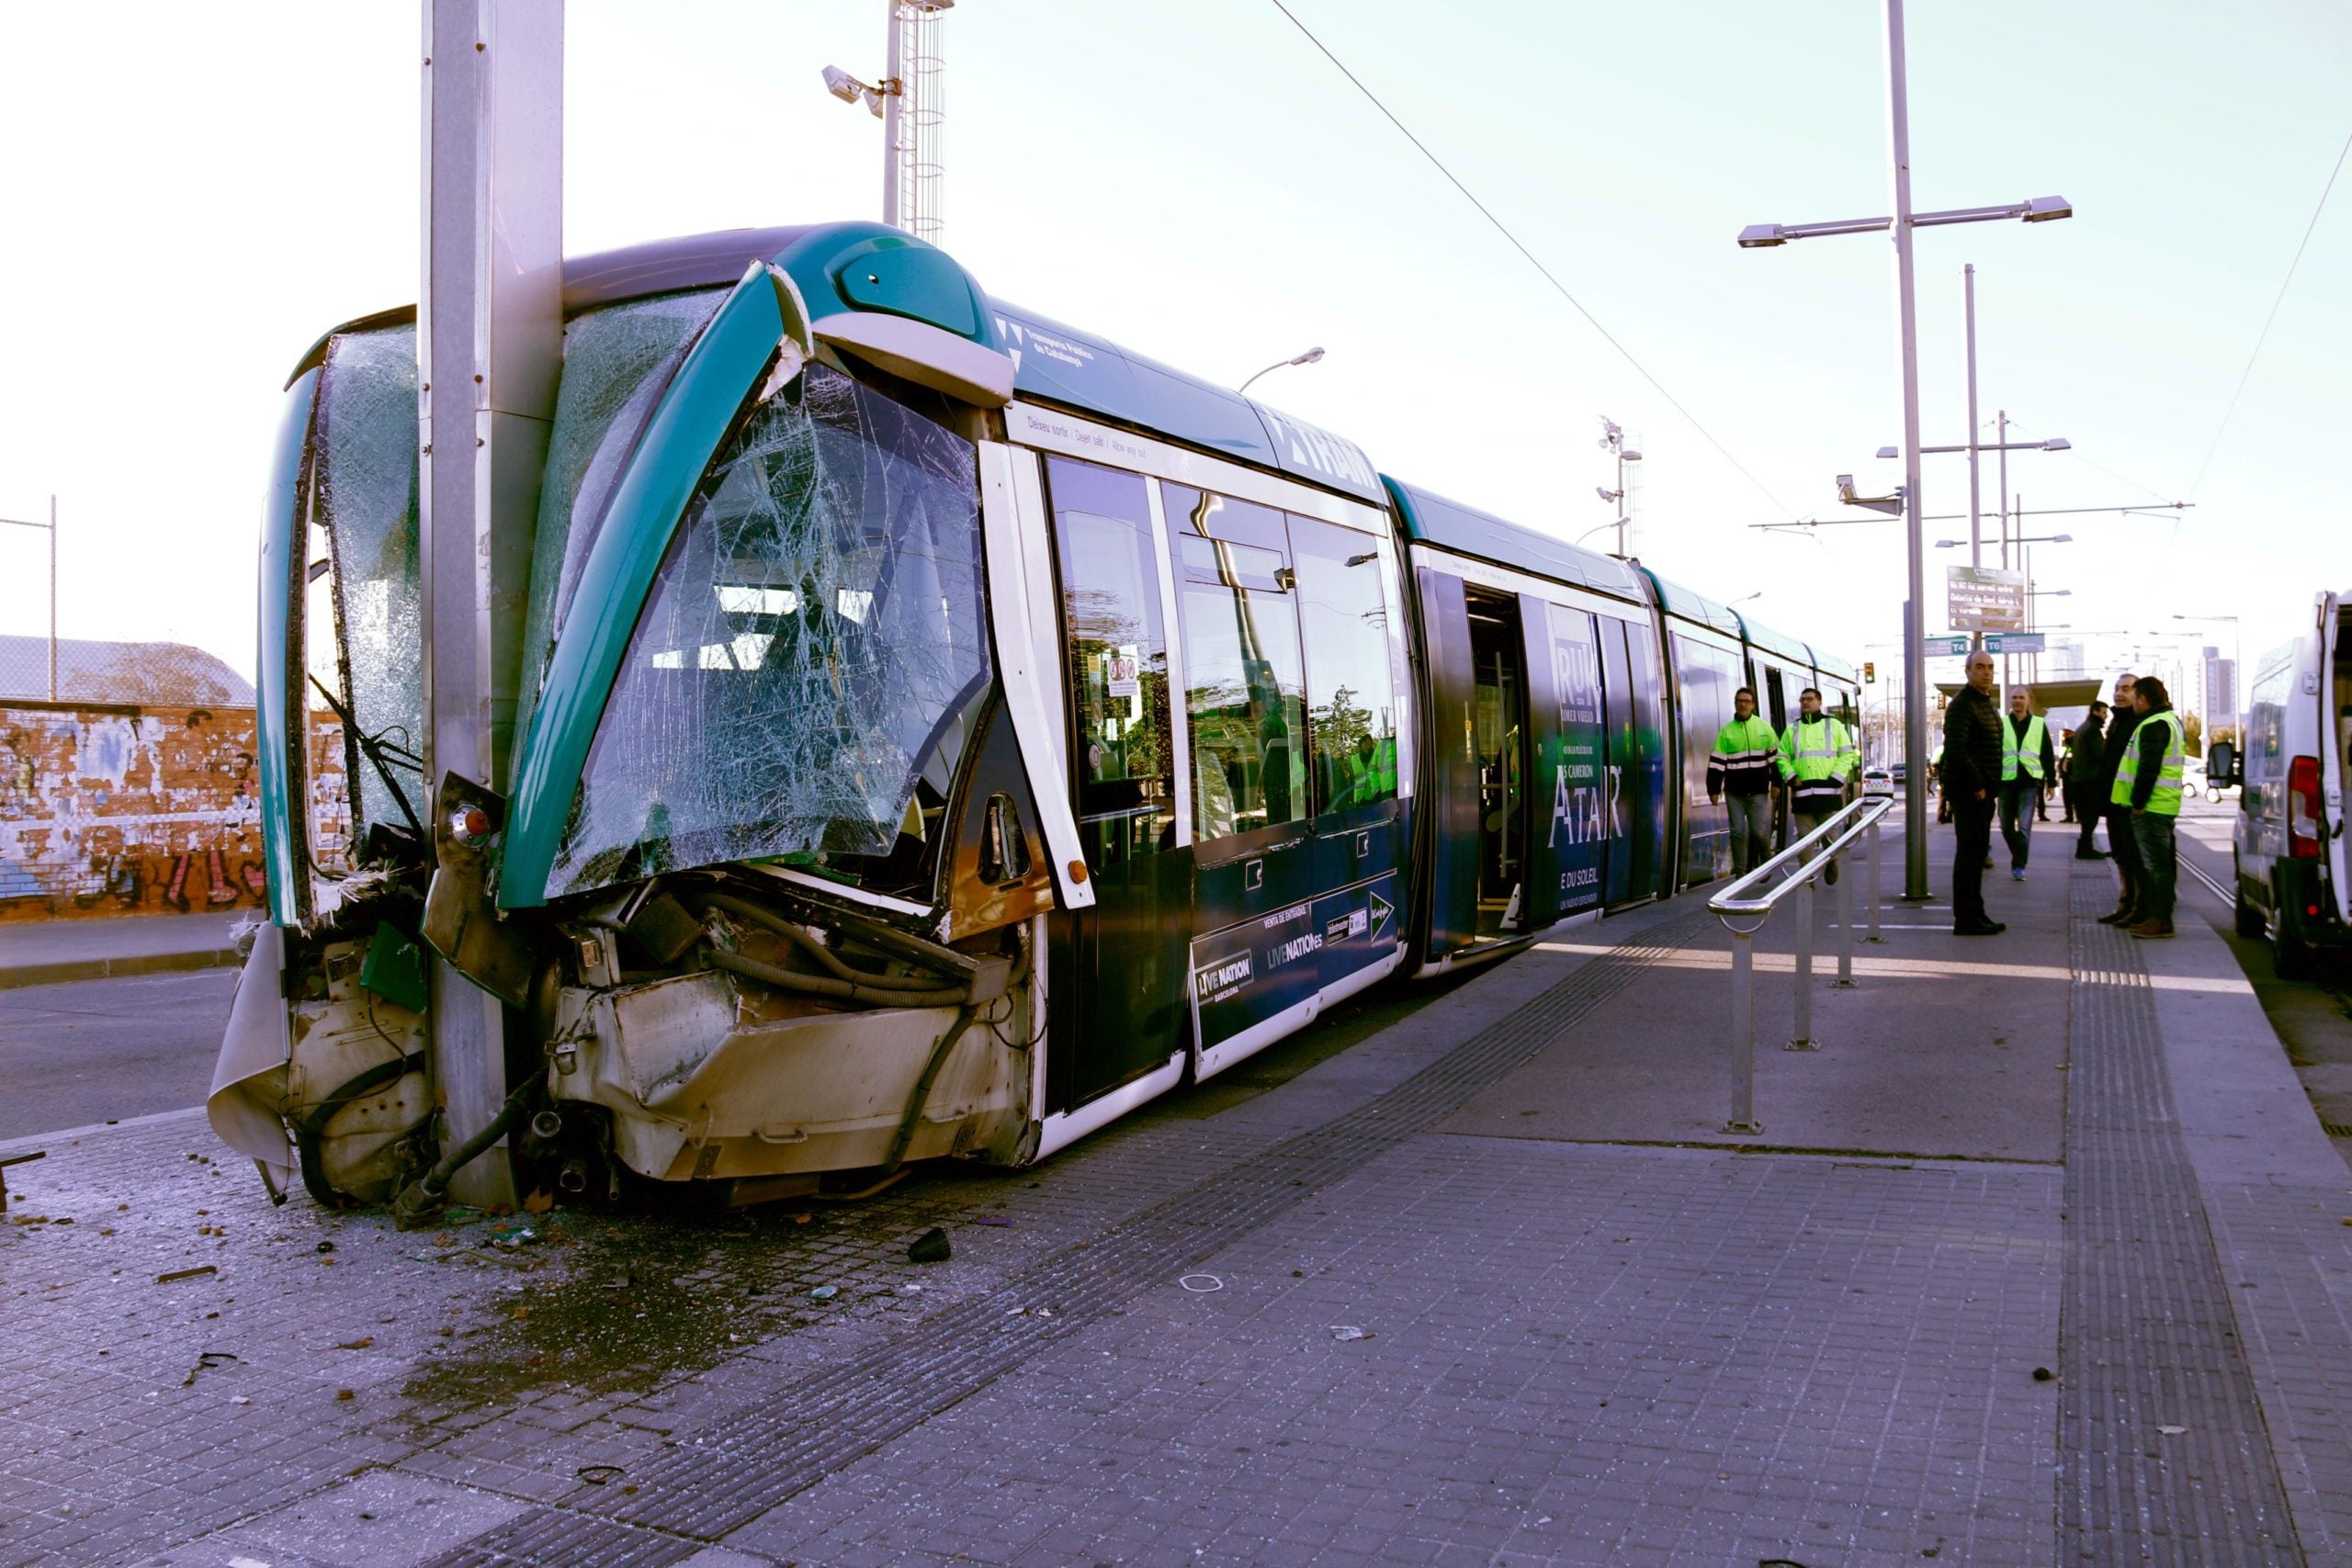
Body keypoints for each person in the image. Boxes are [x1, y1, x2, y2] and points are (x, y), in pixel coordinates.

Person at [1942, 649, 2007, 934]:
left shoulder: (1984, 703)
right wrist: (1978, 785)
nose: (1987, 672)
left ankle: (1976, 912)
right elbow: (1956, 749)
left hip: (1983, 792)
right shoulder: (1963, 704)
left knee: (1977, 854)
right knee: (1969, 854)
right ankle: (1966, 919)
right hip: (1970, 792)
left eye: (1990, 667)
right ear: (1968, 671)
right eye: (1980, 667)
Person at [2120, 674, 2185, 938]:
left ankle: (2161, 920)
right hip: (2163, 805)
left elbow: (2149, 767)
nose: (2133, 704)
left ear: (2143, 699)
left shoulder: (2154, 725)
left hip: (2152, 807)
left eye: (2135, 699)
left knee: (2156, 868)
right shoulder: (2170, 721)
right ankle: (2159, 918)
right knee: (2160, 865)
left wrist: (2137, 803)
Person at [1778, 686, 1860, 883]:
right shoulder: (1792, 729)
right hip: (1802, 794)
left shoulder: (1834, 725)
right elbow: (1781, 757)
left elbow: (1848, 753)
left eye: (1809, 699)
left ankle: (1831, 861)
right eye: (1802, 699)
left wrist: (1837, 777)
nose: (1805, 702)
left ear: (1819, 702)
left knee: (1829, 837)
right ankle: (1807, 879)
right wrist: (1791, 777)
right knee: (1804, 840)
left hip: (1828, 793)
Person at [1707, 686, 1779, 876]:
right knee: (1737, 833)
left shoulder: (1764, 728)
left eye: (1746, 701)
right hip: (1734, 793)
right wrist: (1713, 789)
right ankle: (1740, 874)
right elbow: (1716, 763)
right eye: (1739, 701)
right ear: (1735, 704)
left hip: (1758, 791)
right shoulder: (1727, 732)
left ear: (1753, 705)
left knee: (1758, 832)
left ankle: (1765, 861)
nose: (1742, 704)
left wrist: (1777, 784)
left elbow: (1775, 759)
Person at [2095, 675, 2146, 926]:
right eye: (2116, 688)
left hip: (2131, 805)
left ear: (2138, 694)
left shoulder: (2140, 722)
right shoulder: (2116, 721)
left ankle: (2138, 907)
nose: (2119, 694)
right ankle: (2125, 903)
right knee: (2120, 856)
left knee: (2134, 857)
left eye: (2126, 689)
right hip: (2114, 803)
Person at [1997, 687, 2055, 882]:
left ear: (2028, 701)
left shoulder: (2039, 724)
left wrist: (2052, 782)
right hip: (2006, 782)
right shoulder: (2002, 723)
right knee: (2005, 827)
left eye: (2021, 697)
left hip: (2030, 782)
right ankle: (2018, 855)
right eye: (2014, 697)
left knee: (2024, 827)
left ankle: (2019, 865)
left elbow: (2047, 754)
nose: (2017, 701)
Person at [2070, 702, 2109, 860]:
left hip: (2080, 779)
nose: (2106, 716)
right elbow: (2100, 754)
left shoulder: (2082, 728)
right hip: (2090, 781)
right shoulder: (2092, 730)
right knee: (2090, 817)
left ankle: (2085, 847)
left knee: (2087, 817)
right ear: (2095, 712)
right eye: (2104, 712)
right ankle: (2085, 849)